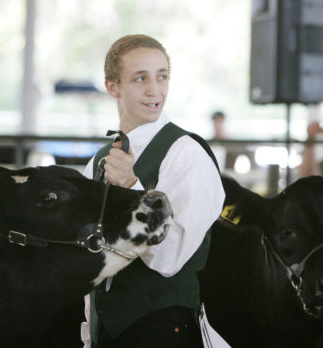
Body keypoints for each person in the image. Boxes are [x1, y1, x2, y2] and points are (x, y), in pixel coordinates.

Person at [80, 34, 225, 348]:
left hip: (163, 328)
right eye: (140, 78)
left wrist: (132, 188)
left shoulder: (188, 154)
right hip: (106, 332)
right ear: (112, 87)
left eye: (162, 77)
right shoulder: (98, 160)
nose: (154, 90)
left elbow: (170, 258)